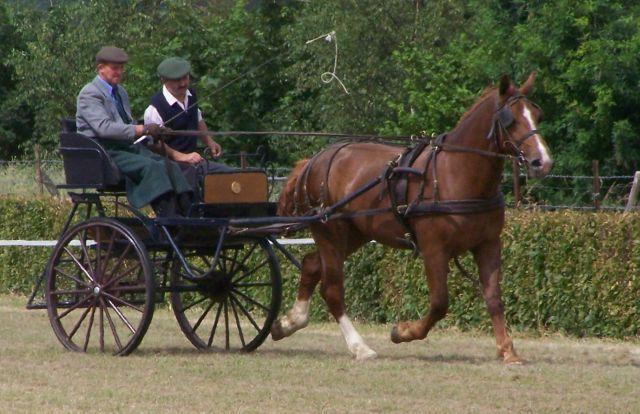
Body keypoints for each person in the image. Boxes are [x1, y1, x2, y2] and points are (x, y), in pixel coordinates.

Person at [76, 46, 193, 216]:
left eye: (122, 68)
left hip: (125, 148)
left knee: (170, 166)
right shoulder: (90, 94)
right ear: (100, 68)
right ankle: (170, 220)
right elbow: (104, 128)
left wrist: (156, 132)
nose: (120, 72)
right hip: (104, 152)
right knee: (153, 167)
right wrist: (143, 129)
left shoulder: (120, 92)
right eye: (115, 68)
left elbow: (127, 123)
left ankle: (189, 214)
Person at [144, 57, 233, 196]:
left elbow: (198, 120)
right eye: (177, 80)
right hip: (169, 164)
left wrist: (209, 141)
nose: (183, 83)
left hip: (194, 161)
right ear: (164, 80)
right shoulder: (155, 108)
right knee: (192, 181)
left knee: (230, 175)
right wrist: (181, 157)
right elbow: (154, 145)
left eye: (185, 78)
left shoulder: (191, 95)